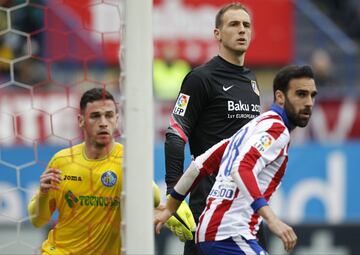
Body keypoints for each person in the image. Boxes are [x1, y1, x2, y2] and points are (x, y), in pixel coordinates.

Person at [155, 64, 318, 255]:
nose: (309, 102)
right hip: (230, 233)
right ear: (280, 97)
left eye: (312, 95)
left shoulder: (256, 124)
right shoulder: (277, 130)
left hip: (207, 232)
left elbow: (201, 163)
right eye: (301, 94)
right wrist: (272, 219)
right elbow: (241, 168)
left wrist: (171, 206)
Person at [164, 3, 261, 254]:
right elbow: (176, 134)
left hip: (242, 209)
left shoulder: (251, 80)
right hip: (208, 206)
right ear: (217, 34)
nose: (242, 30)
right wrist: (172, 195)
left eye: (246, 25)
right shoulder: (201, 78)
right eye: (234, 24)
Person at [27, 88, 162, 254]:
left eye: (109, 115)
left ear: (117, 119)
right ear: (81, 120)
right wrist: (43, 194)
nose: (103, 122)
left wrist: (172, 206)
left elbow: (153, 198)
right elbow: (37, 221)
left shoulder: (128, 161)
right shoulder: (62, 161)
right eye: (95, 116)